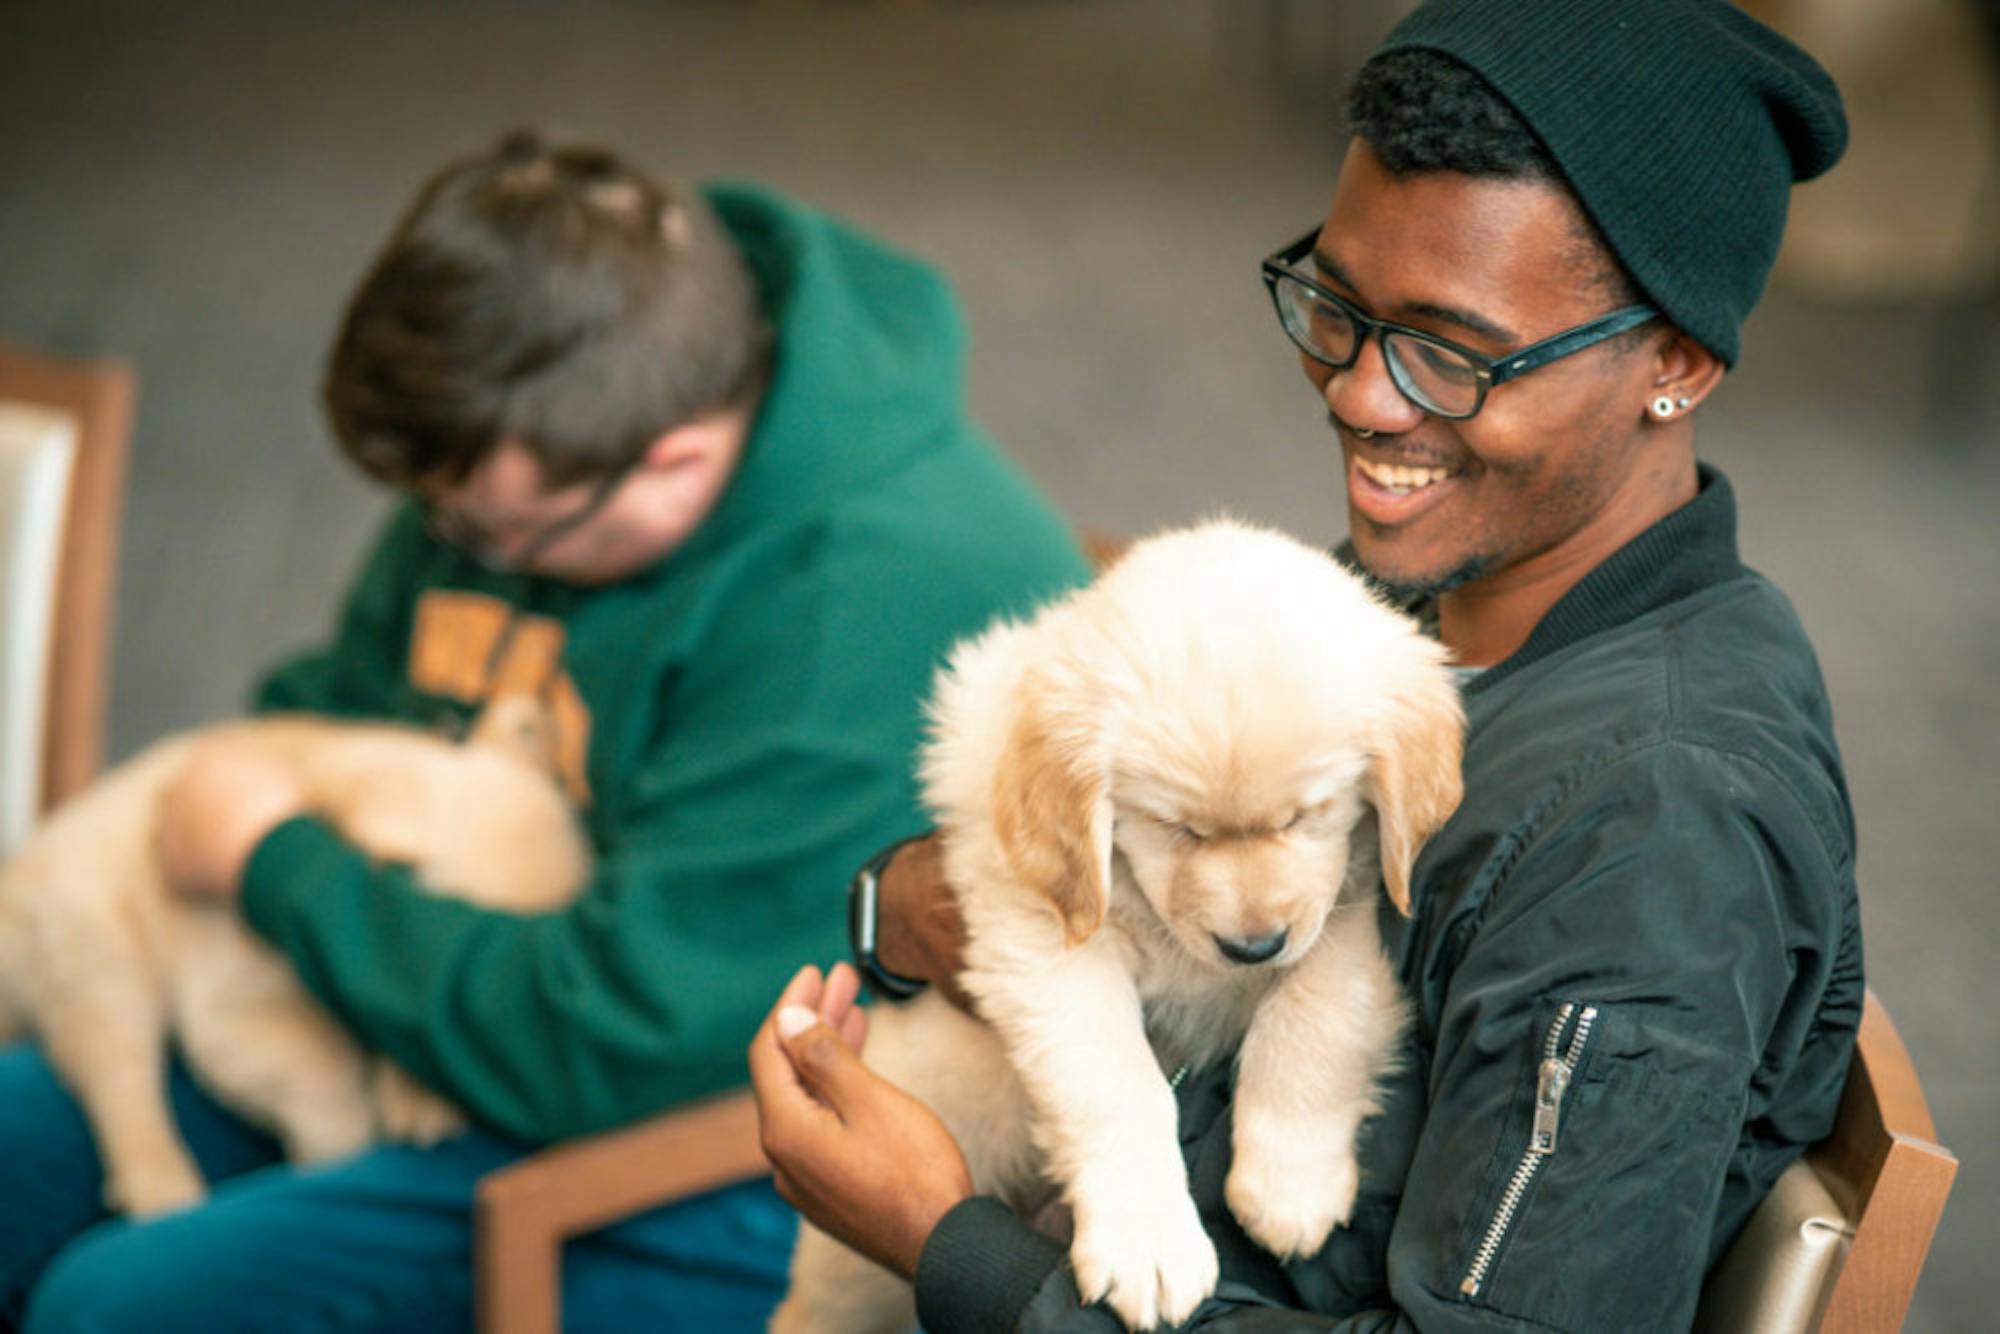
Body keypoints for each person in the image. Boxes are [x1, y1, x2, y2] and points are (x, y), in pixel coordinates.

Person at [750, 0, 1864, 1329]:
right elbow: (1034, 853)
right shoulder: (1401, 596)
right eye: (1337, 304)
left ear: (1675, 361)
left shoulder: (1653, 838)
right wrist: (895, 907)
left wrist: (941, 1238)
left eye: (1452, 351)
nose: (1360, 394)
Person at [0, 131, 1091, 1331]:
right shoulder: (547, 428)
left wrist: (280, 865)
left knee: (108, 1305)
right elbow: (341, 706)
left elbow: (608, 1039)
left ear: (673, 462)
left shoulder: (861, 599)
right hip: (430, 1001)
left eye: (492, 533)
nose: (457, 547)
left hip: (708, 1134)